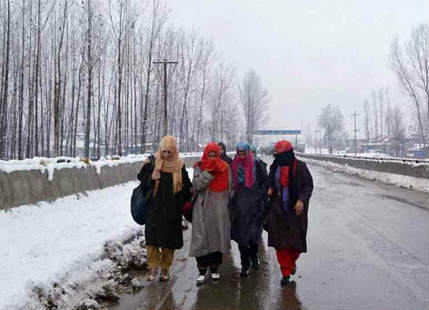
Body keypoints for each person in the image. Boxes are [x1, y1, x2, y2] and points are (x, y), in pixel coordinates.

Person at [137, 136, 192, 282]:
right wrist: (152, 177)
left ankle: (165, 268)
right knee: (152, 240)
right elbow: (141, 179)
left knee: (169, 241)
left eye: (169, 152)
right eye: (164, 152)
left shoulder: (179, 165)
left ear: (174, 151)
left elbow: (186, 185)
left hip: (173, 209)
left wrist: (186, 202)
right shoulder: (152, 162)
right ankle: (152, 267)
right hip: (154, 208)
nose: (166, 155)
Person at [264, 140, 313, 286]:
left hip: (295, 211)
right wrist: (270, 187)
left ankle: (291, 262)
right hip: (277, 209)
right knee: (280, 243)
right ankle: (285, 272)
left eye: (279, 154)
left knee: (295, 243)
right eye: (276, 154)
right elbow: (270, 180)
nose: (277, 157)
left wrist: (301, 201)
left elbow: (308, 186)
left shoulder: (301, 167)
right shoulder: (275, 166)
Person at [190, 142, 232, 285]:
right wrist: (209, 172)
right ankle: (202, 270)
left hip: (219, 208)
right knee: (201, 239)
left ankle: (214, 269)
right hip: (201, 209)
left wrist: (225, 203)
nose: (212, 158)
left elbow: (230, 187)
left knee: (217, 238)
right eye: (210, 155)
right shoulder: (198, 166)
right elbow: (196, 185)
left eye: (215, 155)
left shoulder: (225, 167)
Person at [230, 142, 268, 277]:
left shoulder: (257, 165)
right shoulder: (233, 165)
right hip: (239, 207)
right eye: (238, 153)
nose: (241, 156)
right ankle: (245, 264)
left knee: (254, 237)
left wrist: (258, 195)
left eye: (243, 153)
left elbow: (265, 183)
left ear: (248, 152)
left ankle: (254, 256)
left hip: (255, 207)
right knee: (242, 238)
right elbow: (229, 184)